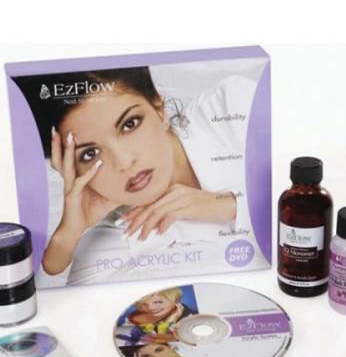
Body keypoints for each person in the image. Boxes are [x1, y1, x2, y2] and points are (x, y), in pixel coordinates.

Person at [14, 66, 265, 286]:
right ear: (70, 167)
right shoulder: (115, 239)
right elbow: (57, 305)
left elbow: (290, 202)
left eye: (130, 124)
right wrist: (70, 231)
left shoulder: (233, 107)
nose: (124, 163)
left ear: (159, 107)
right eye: (90, 153)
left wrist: (230, 206)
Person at [117, 286, 196, 345]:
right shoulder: (134, 317)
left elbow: (161, 340)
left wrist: (170, 321)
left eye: (158, 302)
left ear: (176, 301)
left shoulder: (191, 318)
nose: (150, 308)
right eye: (144, 304)